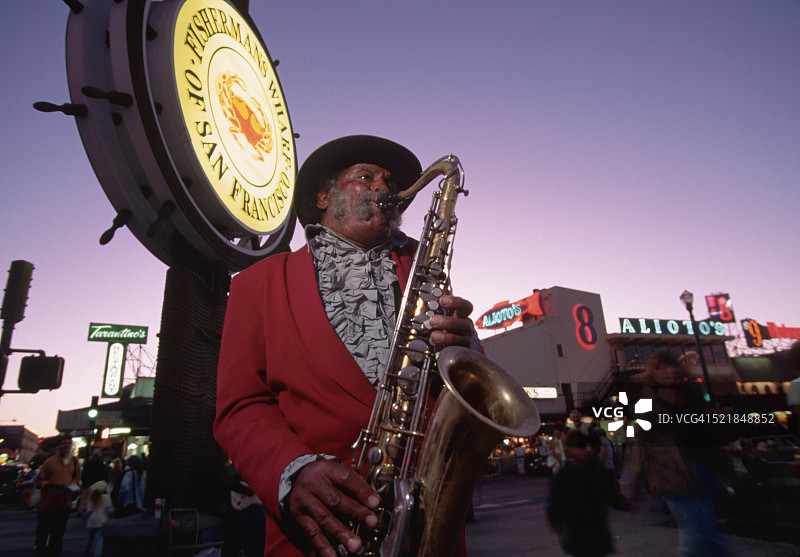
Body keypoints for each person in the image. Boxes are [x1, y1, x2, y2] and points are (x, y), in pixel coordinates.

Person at [215, 135, 478, 557]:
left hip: (428, 525)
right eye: (365, 176)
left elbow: (462, 386)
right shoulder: (256, 285)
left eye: (388, 181)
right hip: (319, 530)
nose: (384, 187)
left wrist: (465, 350)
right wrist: (292, 472)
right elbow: (240, 406)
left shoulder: (425, 272)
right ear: (324, 197)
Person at [620, 350, 732, 557]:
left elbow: (710, 427)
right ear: (653, 373)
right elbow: (640, 445)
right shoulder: (647, 402)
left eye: (671, 366)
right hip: (673, 475)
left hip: (706, 469)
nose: (668, 371)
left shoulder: (694, 393)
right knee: (704, 533)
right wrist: (632, 485)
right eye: (661, 368)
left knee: (703, 532)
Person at [548, 429, 629, 557]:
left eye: (585, 446)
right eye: (580, 447)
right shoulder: (566, 474)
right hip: (583, 534)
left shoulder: (590, 471)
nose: (585, 450)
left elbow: (611, 496)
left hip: (590, 533)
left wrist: (625, 503)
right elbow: (555, 502)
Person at [35, 436, 81, 557]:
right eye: (63, 443)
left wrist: (72, 485)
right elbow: (39, 482)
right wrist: (51, 485)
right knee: (43, 534)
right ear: (58, 446)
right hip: (48, 504)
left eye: (68, 443)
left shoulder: (75, 462)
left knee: (58, 534)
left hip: (64, 504)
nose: (66, 445)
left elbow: (77, 478)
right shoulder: (49, 462)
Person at [82, 480, 113, 557]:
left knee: (90, 539)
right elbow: (110, 509)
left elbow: (88, 510)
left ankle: (85, 552)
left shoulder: (92, 498)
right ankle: (97, 554)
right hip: (102, 520)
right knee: (100, 540)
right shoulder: (106, 497)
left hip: (92, 521)